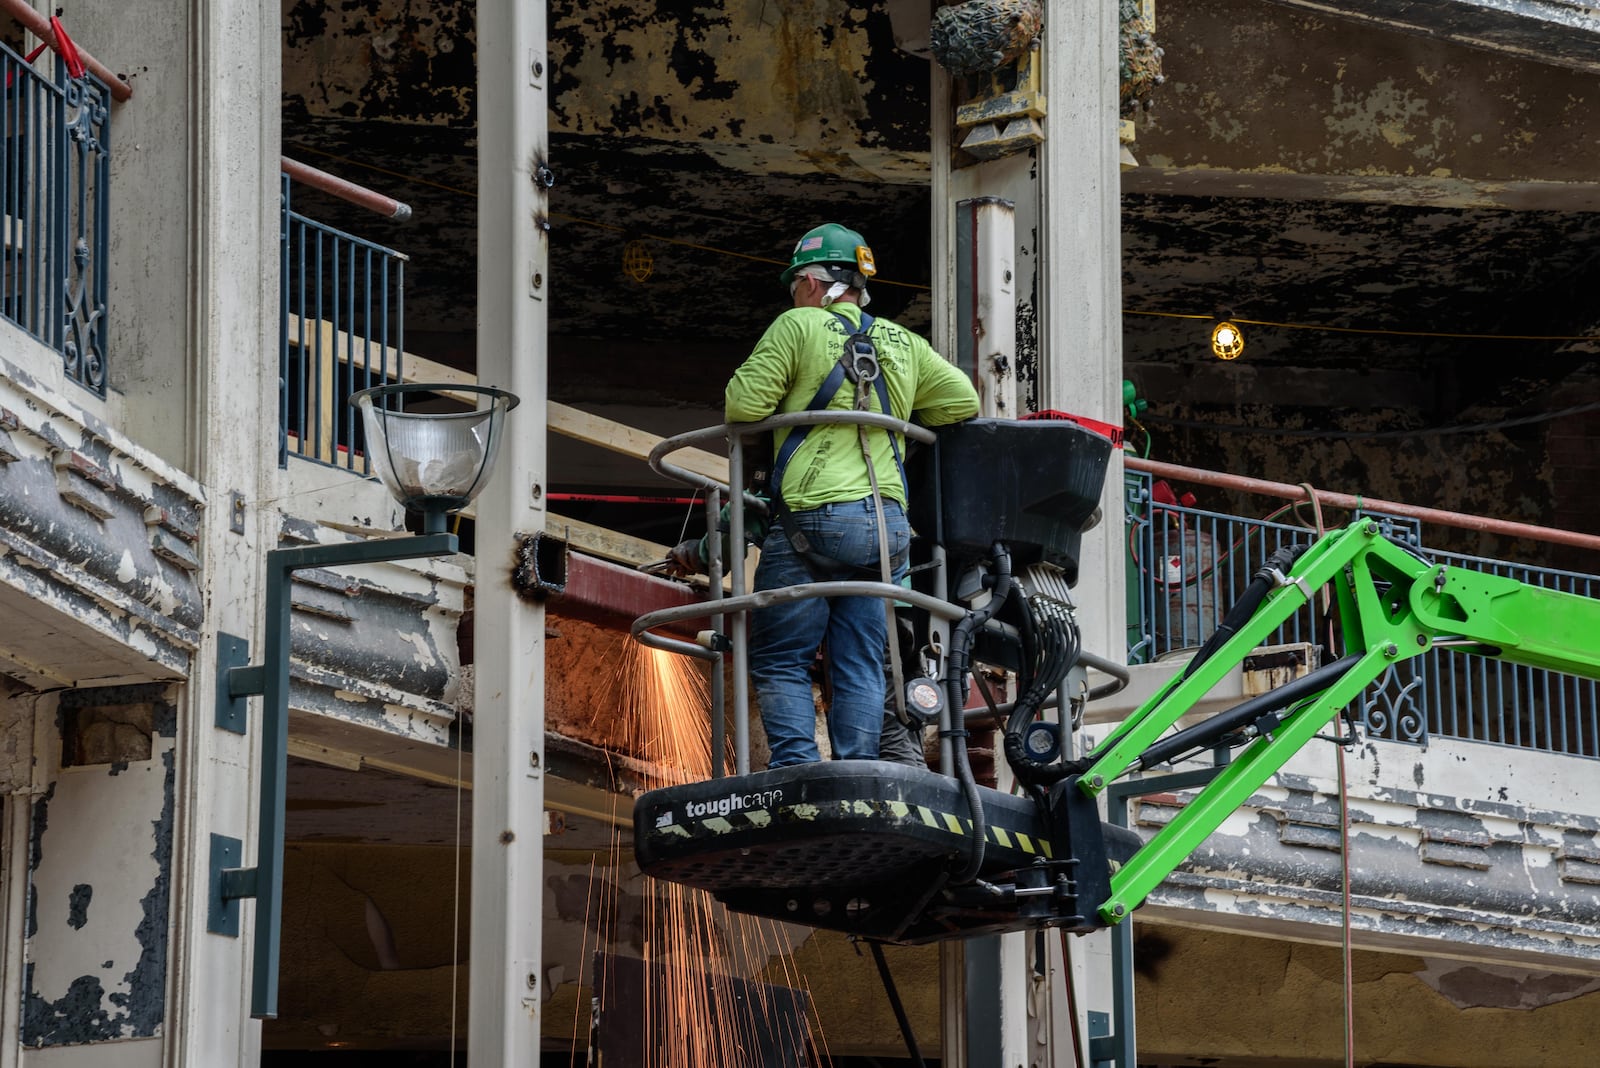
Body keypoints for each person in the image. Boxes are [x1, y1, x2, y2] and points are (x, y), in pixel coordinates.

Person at [724, 223, 980, 768]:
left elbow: (742, 407)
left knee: (779, 656)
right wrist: (903, 416)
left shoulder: (798, 324)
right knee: (862, 660)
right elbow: (962, 401)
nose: (794, 295)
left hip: (812, 520)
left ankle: (794, 765)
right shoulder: (905, 343)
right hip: (886, 530)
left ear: (814, 284)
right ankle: (858, 768)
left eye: (796, 284)